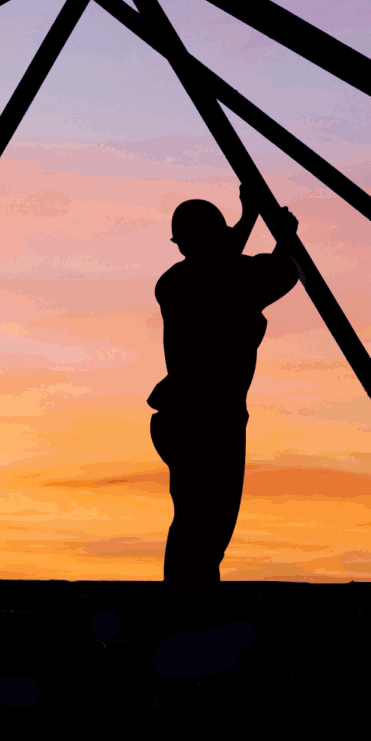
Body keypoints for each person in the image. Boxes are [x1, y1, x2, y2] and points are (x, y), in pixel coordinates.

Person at [148, 192, 300, 585]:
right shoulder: (228, 278)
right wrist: (283, 237)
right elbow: (279, 272)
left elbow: (220, 259)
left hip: (183, 419)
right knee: (208, 524)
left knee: (195, 520)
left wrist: (250, 217)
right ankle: (187, 605)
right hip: (212, 421)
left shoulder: (175, 282)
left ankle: (184, 602)